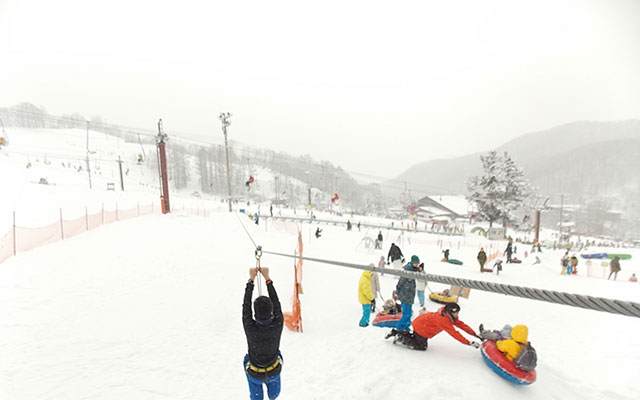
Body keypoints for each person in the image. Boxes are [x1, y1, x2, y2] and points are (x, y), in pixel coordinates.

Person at [242, 267, 284, 400]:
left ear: (255, 314)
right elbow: (277, 303)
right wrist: (267, 278)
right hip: (274, 370)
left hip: (254, 373)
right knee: (274, 394)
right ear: (271, 311)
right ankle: (272, 396)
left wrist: (251, 280)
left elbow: (245, 306)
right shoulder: (277, 324)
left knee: (256, 397)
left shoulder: (250, 327)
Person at [386, 303, 479, 351]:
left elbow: (461, 324)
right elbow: (454, 333)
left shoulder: (448, 315)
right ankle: (399, 337)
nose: (457, 314)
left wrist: (474, 334)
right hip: (422, 327)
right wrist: (468, 343)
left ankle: (396, 332)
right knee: (421, 346)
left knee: (416, 338)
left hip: (421, 323)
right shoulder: (443, 320)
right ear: (451, 312)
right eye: (456, 312)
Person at [393, 256, 423, 332]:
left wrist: (419, 270)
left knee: (408, 314)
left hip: (410, 295)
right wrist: (398, 290)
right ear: (412, 262)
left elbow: (415, 271)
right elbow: (401, 281)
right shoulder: (407, 271)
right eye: (416, 263)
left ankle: (406, 327)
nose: (417, 264)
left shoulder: (412, 269)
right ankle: (399, 328)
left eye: (417, 263)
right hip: (405, 295)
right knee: (407, 314)